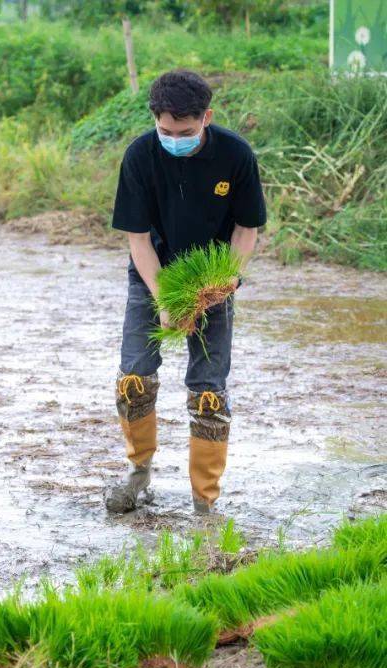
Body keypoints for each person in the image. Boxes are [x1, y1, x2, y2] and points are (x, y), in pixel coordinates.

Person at [106, 70, 267, 515]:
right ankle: (138, 473)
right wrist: (163, 300)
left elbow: (246, 229)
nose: (173, 138)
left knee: (208, 390)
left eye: (185, 131)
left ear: (206, 118)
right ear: (155, 121)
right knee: (133, 377)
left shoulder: (236, 155)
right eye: (165, 131)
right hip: (152, 274)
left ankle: (205, 502)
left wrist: (225, 282)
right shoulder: (140, 156)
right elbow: (138, 239)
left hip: (212, 280)